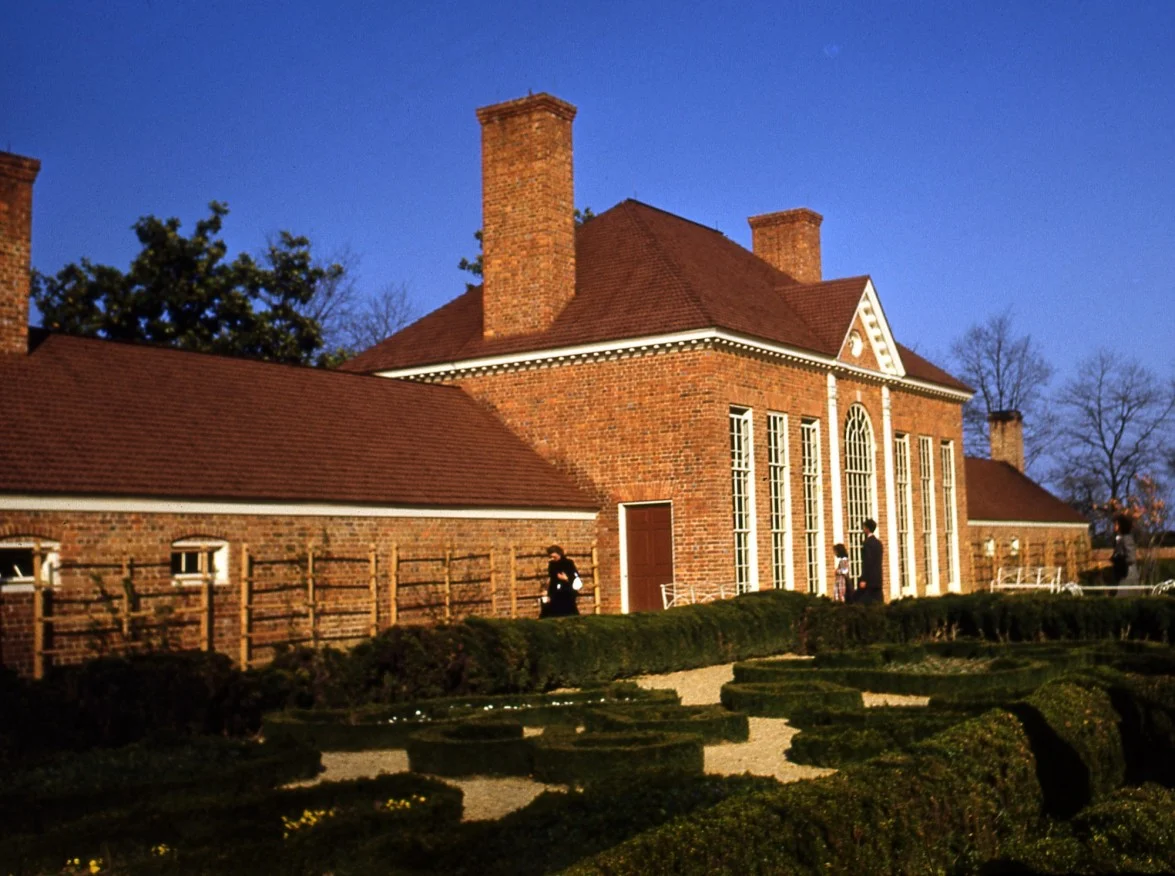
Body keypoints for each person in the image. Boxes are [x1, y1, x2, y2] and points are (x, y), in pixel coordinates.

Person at [542, 544, 580, 618]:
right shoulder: (552, 564)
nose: (553, 558)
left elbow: (575, 576)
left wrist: (566, 579)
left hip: (567, 590)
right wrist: (547, 592)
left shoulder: (568, 563)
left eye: (554, 557)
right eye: (551, 557)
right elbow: (551, 578)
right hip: (555, 591)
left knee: (568, 611)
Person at [856, 519, 884, 605]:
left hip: (869, 581)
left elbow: (867, 562)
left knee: (864, 603)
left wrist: (864, 579)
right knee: (878, 603)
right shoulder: (879, 543)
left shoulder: (867, 543)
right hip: (878, 578)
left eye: (864, 527)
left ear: (867, 529)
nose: (863, 529)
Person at [1112, 514, 1139, 599]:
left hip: (1128, 574)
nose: (1114, 526)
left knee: (1122, 599)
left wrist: (1119, 560)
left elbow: (1131, 557)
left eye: (1116, 524)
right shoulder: (1119, 539)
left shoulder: (1127, 538)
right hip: (1122, 574)